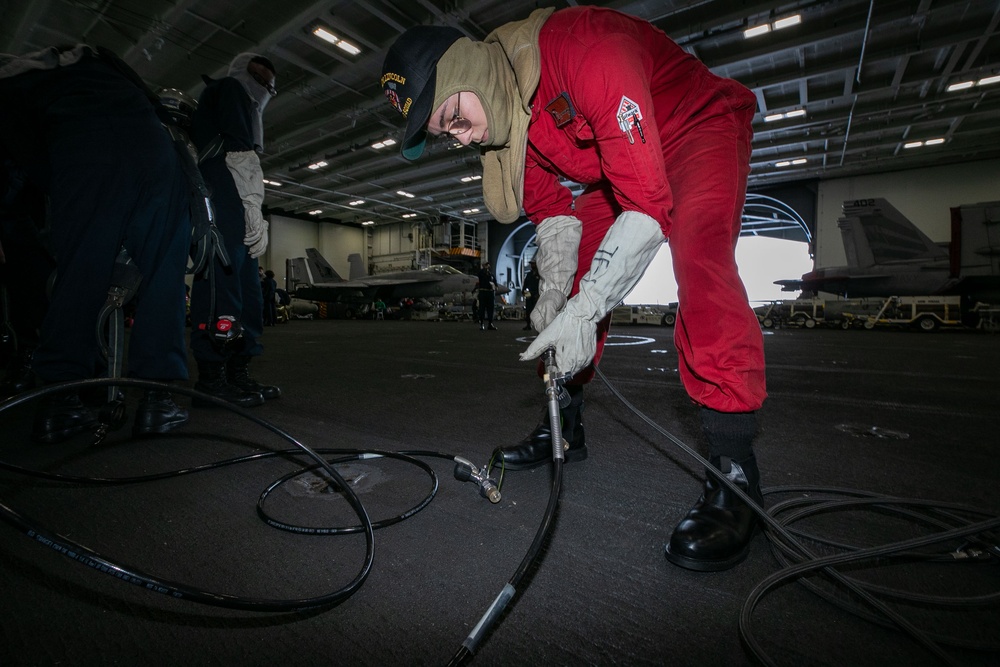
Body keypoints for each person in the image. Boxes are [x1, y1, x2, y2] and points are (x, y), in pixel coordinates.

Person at [381, 6, 766, 572]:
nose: (461, 138)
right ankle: (564, 425)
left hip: (695, 127)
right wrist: (559, 296)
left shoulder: (586, 49)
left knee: (699, 254)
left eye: (454, 117)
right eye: (448, 135)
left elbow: (648, 203)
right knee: (575, 282)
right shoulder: (504, 124)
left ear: (469, 72)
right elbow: (552, 214)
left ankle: (736, 472)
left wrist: (588, 308)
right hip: (619, 168)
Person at [0, 44, 193, 441]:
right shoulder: (92, 61)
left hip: (81, 147)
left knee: (79, 273)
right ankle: (159, 402)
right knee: (163, 273)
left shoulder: (15, 89)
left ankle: (62, 402)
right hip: (151, 144)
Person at [188, 53, 281, 407]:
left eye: (269, 85)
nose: (263, 89)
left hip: (240, 199)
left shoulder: (243, 103)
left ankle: (238, 371)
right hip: (221, 192)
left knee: (248, 292)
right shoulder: (228, 90)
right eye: (258, 78)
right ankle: (211, 376)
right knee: (220, 285)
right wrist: (250, 199)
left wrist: (252, 203)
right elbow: (236, 152)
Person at [475, 261, 498, 331]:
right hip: (483, 292)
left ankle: (490, 323)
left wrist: (495, 287)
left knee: (490, 309)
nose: (487, 266)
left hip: (490, 293)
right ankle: (481, 323)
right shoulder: (481, 273)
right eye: (486, 265)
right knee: (482, 308)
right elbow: (479, 278)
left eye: (488, 264)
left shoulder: (491, 275)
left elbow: (495, 283)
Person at [522, 259, 539, 331]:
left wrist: (538, 294)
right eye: (531, 264)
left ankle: (537, 325)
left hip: (537, 295)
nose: (532, 265)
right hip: (529, 295)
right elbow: (525, 285)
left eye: (533, 264)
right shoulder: (529, 274)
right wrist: (525, 293)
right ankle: (528, 324)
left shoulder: (540, 275)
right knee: (528, 310)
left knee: (537, 310)